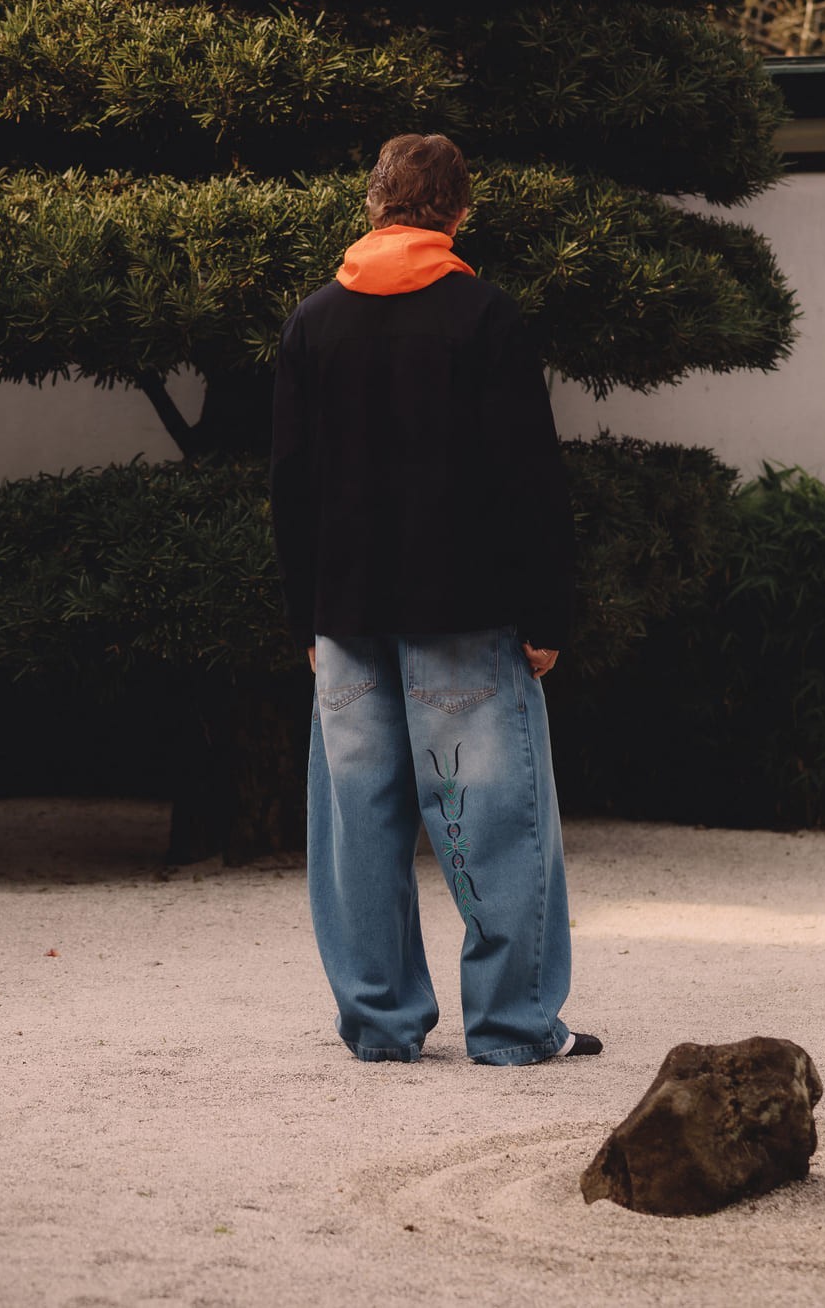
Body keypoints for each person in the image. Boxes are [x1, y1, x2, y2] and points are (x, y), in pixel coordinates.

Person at [269, 133, 601, 1065]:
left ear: (371, 205)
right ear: (461, 212)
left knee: (358, 825)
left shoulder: (312, 321)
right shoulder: (484, 316)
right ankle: (511, 1027)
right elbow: (530, 480)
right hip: (464, 613)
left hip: (344, 620)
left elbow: (288, 486)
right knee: (492, 820)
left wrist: (307, 619)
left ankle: (379, 1024)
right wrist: (546, 618)